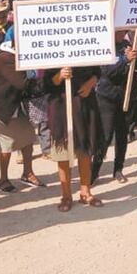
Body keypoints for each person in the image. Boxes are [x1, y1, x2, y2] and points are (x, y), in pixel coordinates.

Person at [0, 33, 45, 193]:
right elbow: (21, 83)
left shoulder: (18, 57)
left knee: (28, 137)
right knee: (6, 144)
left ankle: (27, 173)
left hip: (13, 104)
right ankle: (3, 180)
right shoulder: (7, 59)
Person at [44, 63, 102, 211]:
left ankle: (85, 192)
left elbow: (97, 71)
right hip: (61, 107)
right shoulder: (51, 51)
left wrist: (90, 83)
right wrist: (59, 76)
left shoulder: (85, 47)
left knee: (85, 150)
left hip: (85, 105)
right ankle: (66, 195)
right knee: (63, 153)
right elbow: (45, 83)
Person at [92, 30, 137, 184]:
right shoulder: (104, 47)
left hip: (125, 98)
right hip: (107, 97)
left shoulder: (127, 45)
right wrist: (124, 59)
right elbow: (107, 71)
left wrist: (135, 57)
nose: (123, 34)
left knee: (122, 134)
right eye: (120, 31)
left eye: (124, 31)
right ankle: (94, 171)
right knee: (105, 136)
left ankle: (118, 169)